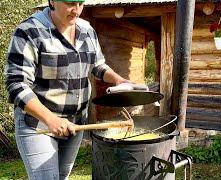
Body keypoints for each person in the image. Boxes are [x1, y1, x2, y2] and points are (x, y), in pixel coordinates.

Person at [5, 0, 130, 179]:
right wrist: (51, 119)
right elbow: (16, 85)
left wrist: (119, 80)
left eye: (81, 3)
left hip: (75, 123)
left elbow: (98, 65)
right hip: (38, 125)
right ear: (53, 1)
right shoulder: (29, 31)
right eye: (71, 3)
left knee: (61, 177)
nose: (77, 9)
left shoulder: (87, 30)